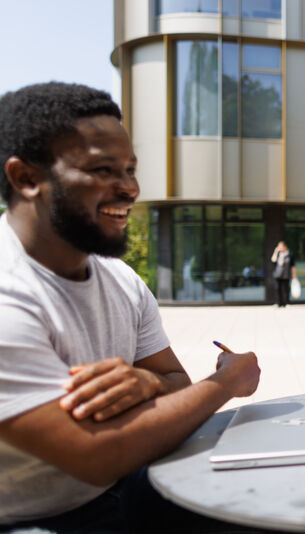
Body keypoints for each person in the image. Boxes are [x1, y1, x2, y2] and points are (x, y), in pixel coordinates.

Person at [0, 82, 262, 532]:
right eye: (103, 170)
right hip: (32, 519)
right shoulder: (8, 290)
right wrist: (227, 380)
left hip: (125, 485)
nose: (129, 189)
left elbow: (175, 382)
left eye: (130, 169)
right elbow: (95, 455)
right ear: (27, 179)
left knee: (260, 505)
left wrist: (144, 380)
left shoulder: (120, 278)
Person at [271, 240, 296, 307]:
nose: (279, 247)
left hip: (286, 274)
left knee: (285, 289)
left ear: (285, 247)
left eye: (280, 246)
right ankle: (278, 303)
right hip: (278, 274)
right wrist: (275, 251)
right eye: (278, 246)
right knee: (277, 288)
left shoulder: (289, 254)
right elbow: (273, 260)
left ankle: (286, 303)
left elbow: (293, 266)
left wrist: (294, 275)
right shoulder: (278, 254)